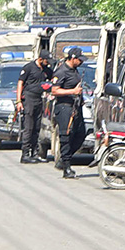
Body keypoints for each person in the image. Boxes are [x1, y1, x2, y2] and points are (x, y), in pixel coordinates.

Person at [51, 46, 86, 179]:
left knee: (80, 134)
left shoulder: (75, 70)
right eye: (79, 59)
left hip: (76, 107)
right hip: (64, 107)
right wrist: (72, 92)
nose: (82, 62)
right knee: (66, 136)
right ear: (73, 58)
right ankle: (66, 167)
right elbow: (54, 90)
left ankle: (65, 158)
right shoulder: (61, 71)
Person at [16, 48, 53, 164]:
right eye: (46, 61)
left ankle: (34, 153)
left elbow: (53, 79)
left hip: (39, 99)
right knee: (29, 127)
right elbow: (20, 83)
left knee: (37, 127)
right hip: (29, 98)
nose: (48, 63)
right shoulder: (29, 67)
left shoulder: (46, 70)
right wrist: (18, 101)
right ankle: (25, 154)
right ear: (40, 59)